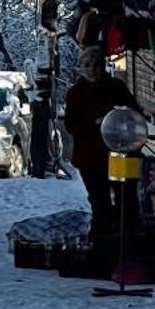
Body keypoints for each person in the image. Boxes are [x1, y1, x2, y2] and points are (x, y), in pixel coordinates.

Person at [63, 47, 137, 264]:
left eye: (96, 65)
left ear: (103, 66)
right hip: (90, 158)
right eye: (87, 66)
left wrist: (120, 119)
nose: (92, 70)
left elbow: (133, 112)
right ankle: (100, 255)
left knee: (126, 204)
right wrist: (95, 123)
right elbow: (71, 125)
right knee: (100, 204)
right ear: (80, 68)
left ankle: (127, 254)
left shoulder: (116, 87)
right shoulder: (76, 93)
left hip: (119, 155)